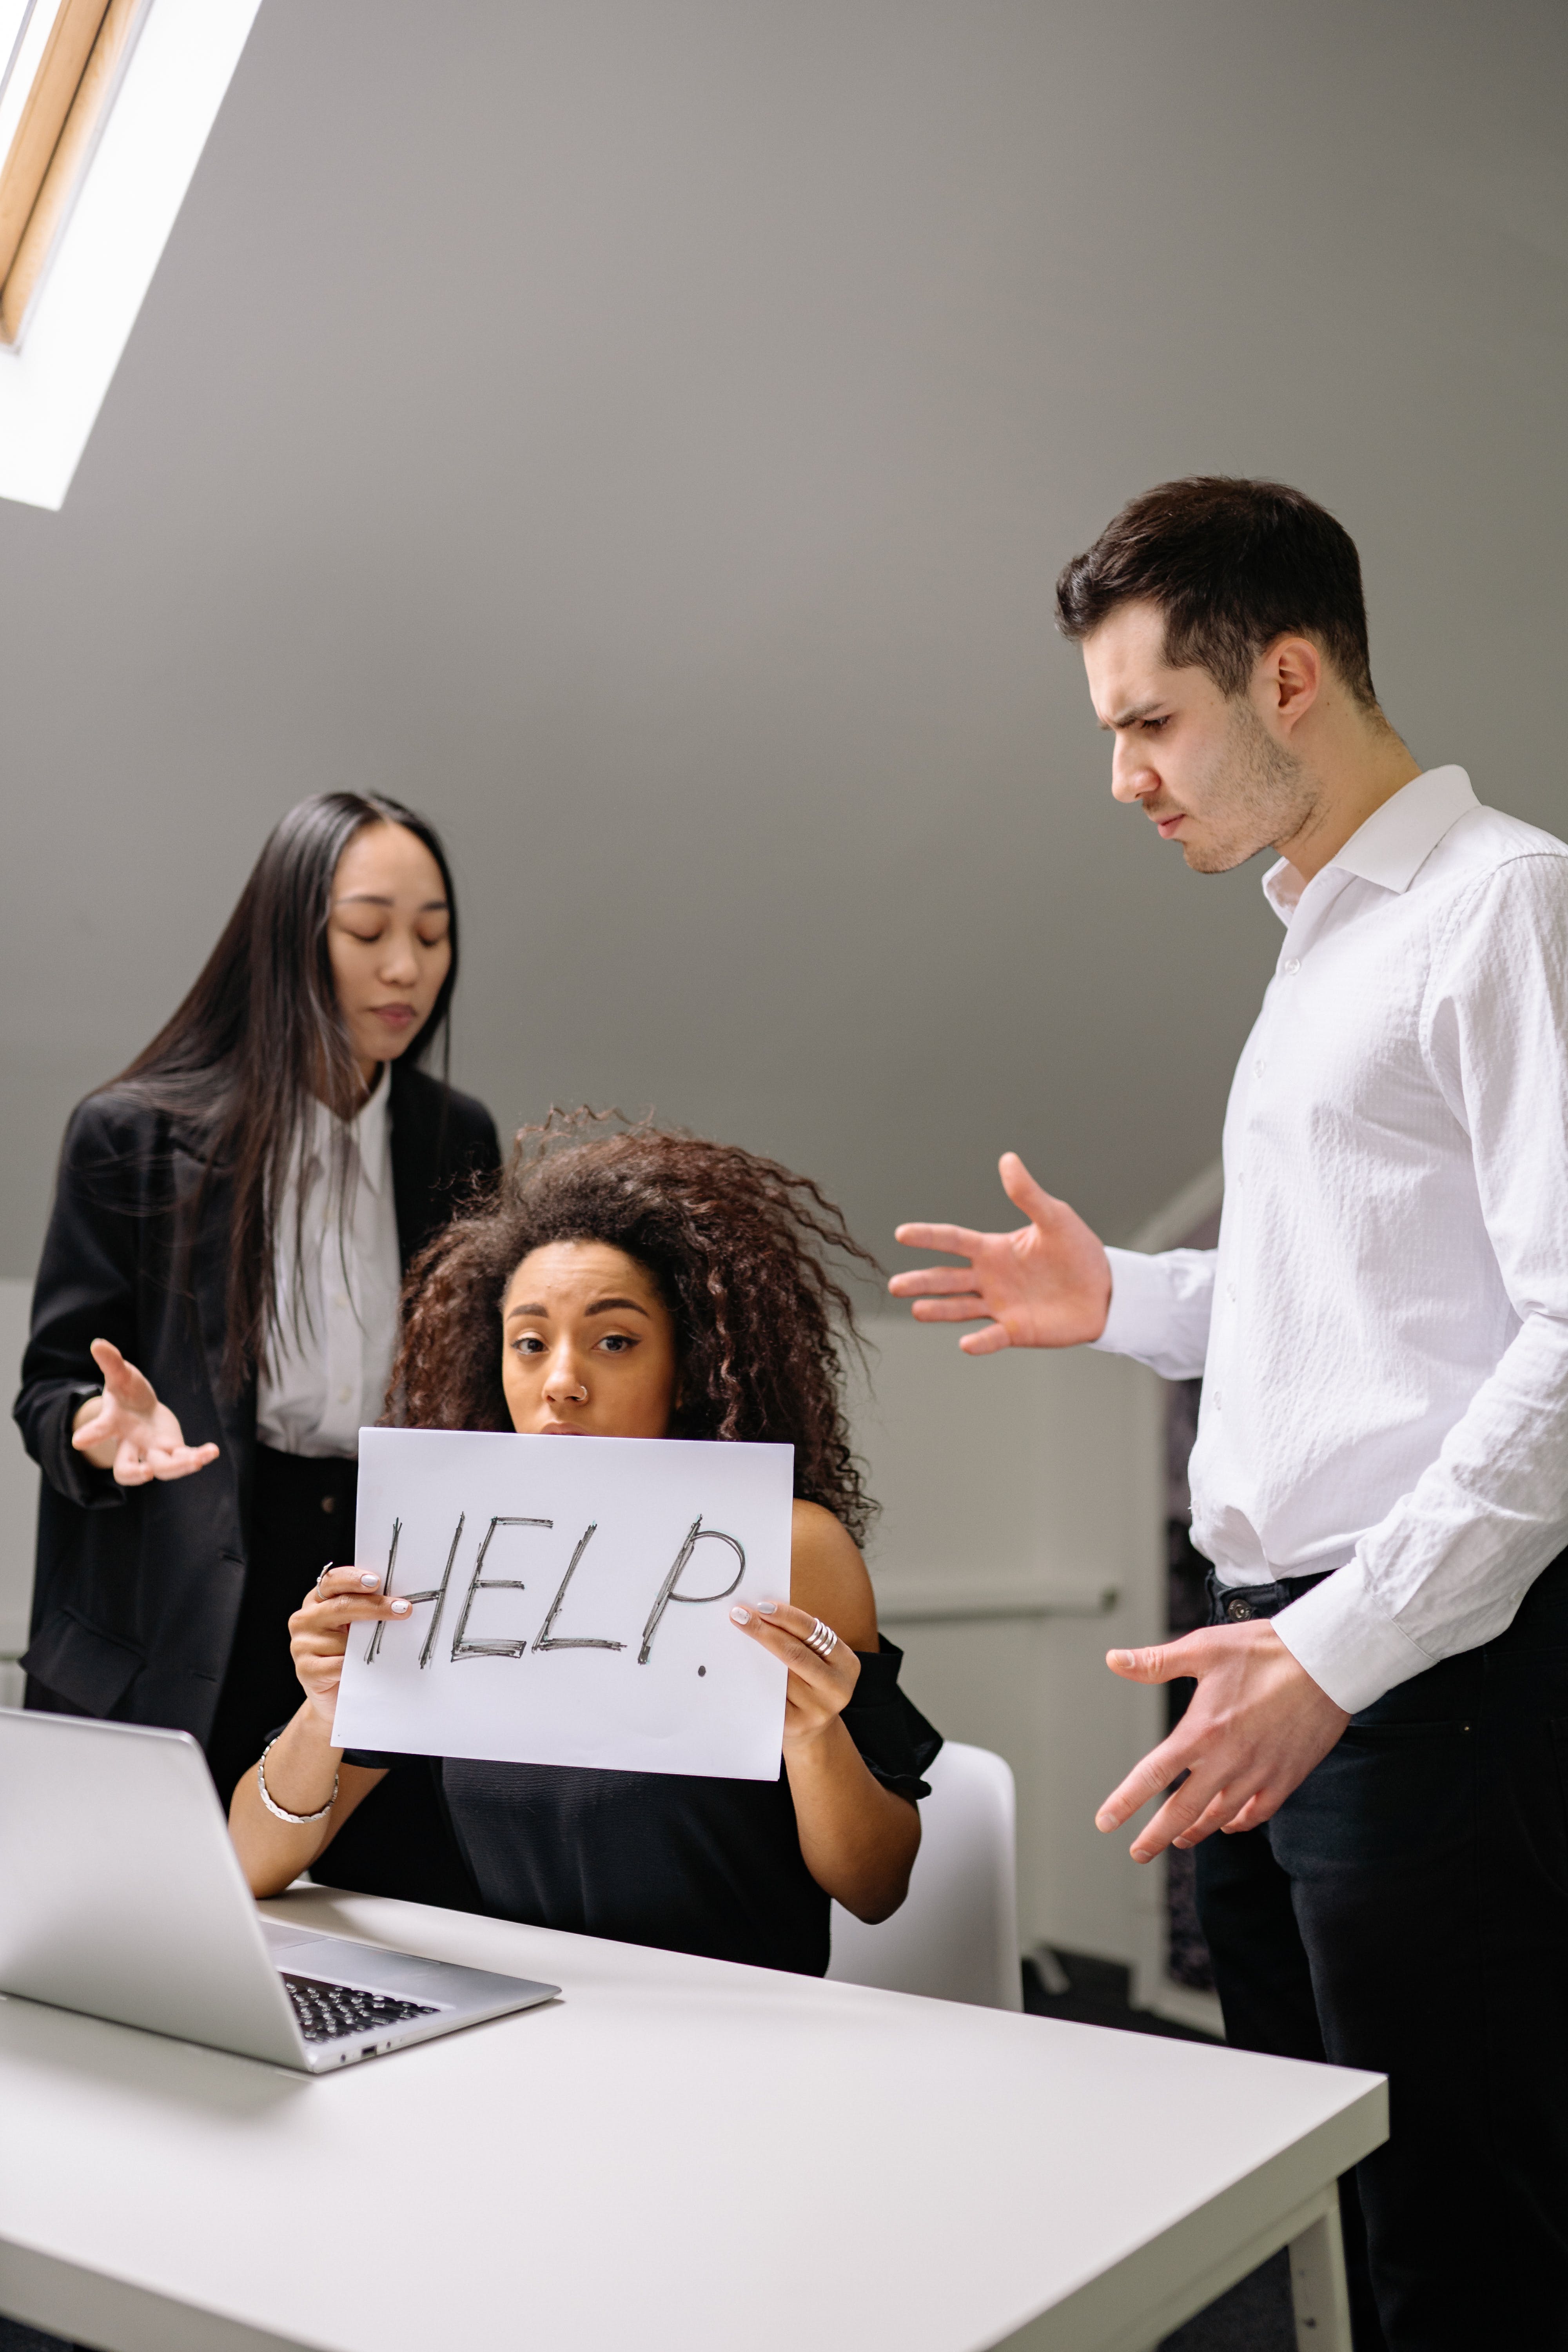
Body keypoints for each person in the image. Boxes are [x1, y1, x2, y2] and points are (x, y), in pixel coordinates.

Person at [890, 478, 1568, 2352]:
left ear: (1285, 676)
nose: (1122, 779)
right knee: (1315, 2201)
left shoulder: (1501, 905)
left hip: (1426, 1669)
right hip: (1294, 1649)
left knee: (1461, 2235)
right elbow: (1353, 1303)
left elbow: (1563, 1336)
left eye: (1144, 722)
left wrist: (1330, 1652)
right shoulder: (1316, 930)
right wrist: (1127, 1299)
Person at [229, 1118, 940, 1973]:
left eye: (614, 1341)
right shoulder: (457, 1545)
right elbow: (252, 1863)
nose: (561, 1380)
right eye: (529, 1343)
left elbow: (875, 1889)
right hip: (527, 2024)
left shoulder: (787, 1546)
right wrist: (327, 1709)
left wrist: (816, 1738)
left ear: (688, 1366)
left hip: (740, 2036)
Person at [14, 793, 501, 1871]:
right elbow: (48, 1387)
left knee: (370, 1963)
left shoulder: (452, 1137)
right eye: (369, 933)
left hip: (364, 1601)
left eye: (432, 935)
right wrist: (99, 1430)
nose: (407, 971)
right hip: (175, 1609)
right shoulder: (133, 1134)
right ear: (290, 939)